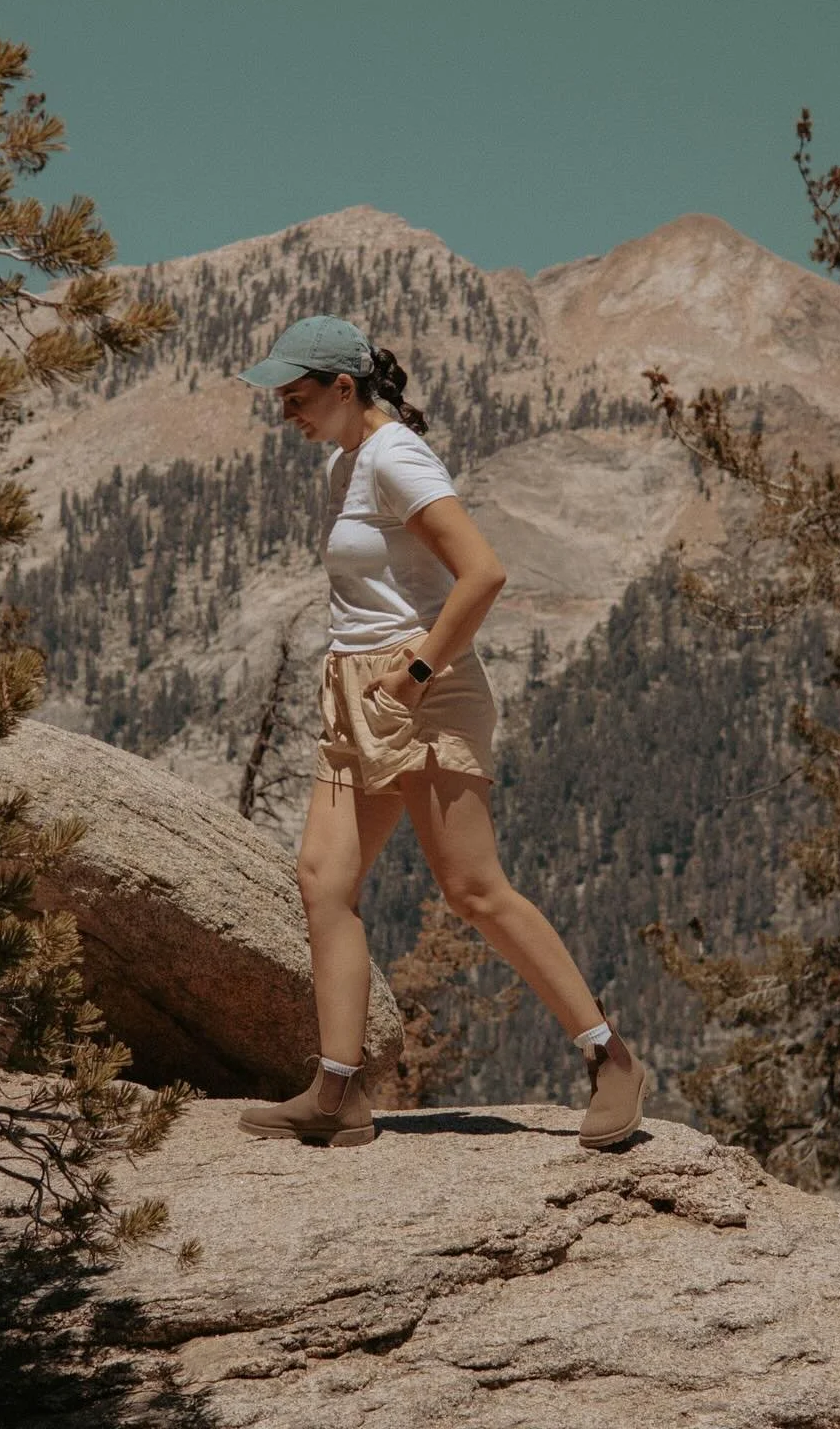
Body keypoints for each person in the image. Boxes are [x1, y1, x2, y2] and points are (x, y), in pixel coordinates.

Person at [231, 314, 647, 1150]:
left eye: (298, 395)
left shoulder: (394, 456)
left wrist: (416, 671)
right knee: (324, 880)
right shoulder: (351, 459)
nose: (287, 413)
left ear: (345, 387)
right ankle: (338, 1090)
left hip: (421, 687)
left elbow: (484, 572)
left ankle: (611, 1058)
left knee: (472, 888)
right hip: (357, 687)